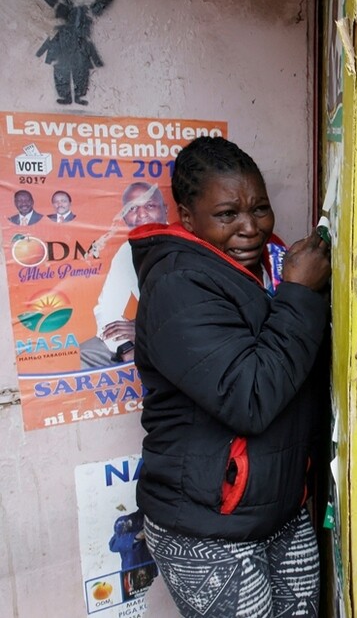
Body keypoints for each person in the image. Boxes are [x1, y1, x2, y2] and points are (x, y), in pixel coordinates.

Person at [133, 136, 331, 618]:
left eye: (260, 209)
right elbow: (251, 397)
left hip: (281, 512)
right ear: (187, 217)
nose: (250, 228)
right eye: (227, 215)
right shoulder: (177, 284)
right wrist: (301, 294)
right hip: (207, 525)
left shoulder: (275, 265)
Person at [79, 181, 167, 368]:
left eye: (150, 206)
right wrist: (125, 346)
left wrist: (146, 330)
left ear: (165, 209)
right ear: (125, 217)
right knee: (88, 352)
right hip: (147, 331)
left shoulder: (184, 244)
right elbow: (107, 308)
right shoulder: (126, 251)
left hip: (178, 335)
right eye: (132, 208)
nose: (142, 215)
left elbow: (190, 314)